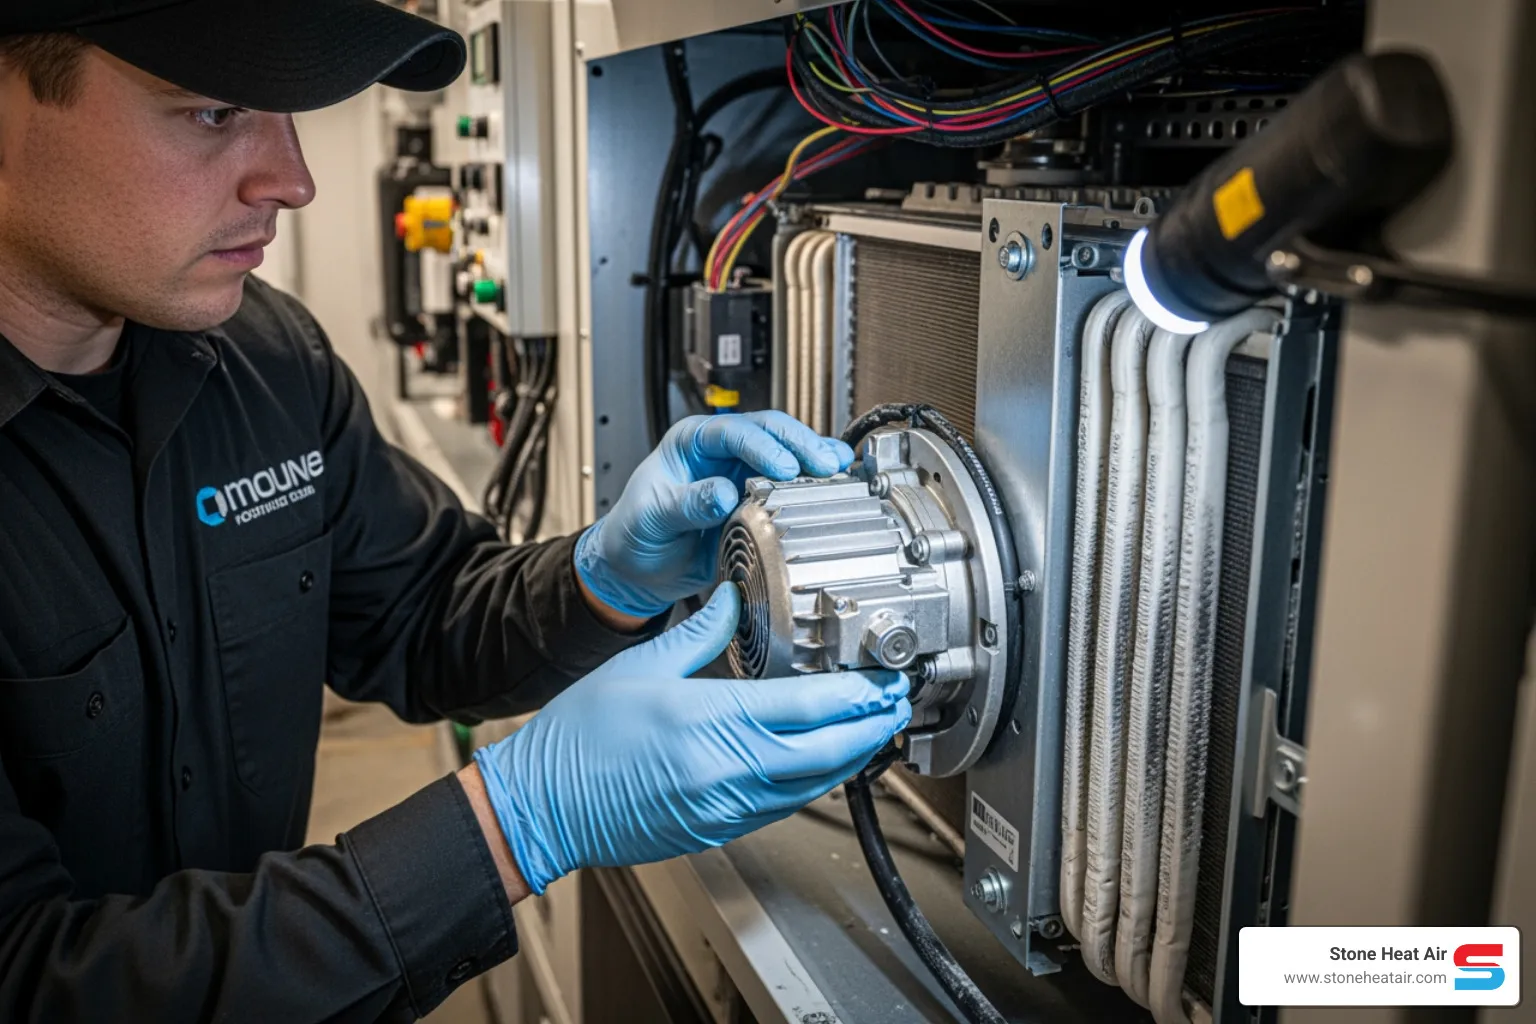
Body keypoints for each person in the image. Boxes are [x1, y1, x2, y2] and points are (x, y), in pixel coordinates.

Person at [0, 2, 912, 1020]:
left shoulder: (264, 364)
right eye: (215, 113)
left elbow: (419, 611)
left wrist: (601, 582)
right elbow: (30, 979)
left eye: (289, 113)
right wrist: (513, 823)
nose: (292, 181)